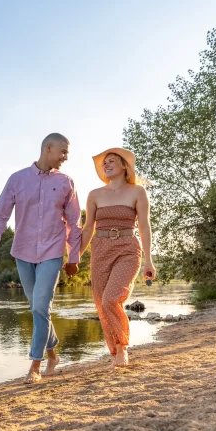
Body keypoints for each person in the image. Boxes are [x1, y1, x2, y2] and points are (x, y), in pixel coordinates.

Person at [0, 133, 82, 384]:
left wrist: (74, 257)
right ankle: (53, 354)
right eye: (63, 152)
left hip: (52, 251)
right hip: (23, 252)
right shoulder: (17, 180)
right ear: (48, 148)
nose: (66, 157)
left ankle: (35, 365)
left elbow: (74, 223)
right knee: (37, 308)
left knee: (41, 306)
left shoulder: (66, 183)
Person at [80, 147, 155, 369]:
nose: (106, 164)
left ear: (124, 166)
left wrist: (148, 260)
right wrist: (74, 257)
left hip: (128, 248)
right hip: (100, 249)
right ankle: (113, 352)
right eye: (104, 163)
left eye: (111, 161)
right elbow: (87, 229)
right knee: (101, 305)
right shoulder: (94, 194)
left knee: (111, 299)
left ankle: (122, 347)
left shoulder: (137, 191)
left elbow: (144, 227)